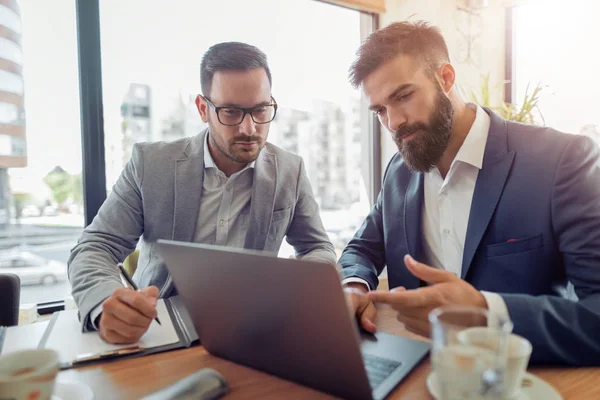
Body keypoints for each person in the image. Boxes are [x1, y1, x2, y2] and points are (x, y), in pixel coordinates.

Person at [340, 21, 600, 365]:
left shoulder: (561, 160)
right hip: (421, 374)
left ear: (445, 78)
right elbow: (362, 247)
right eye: (380, 111)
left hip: (524, 379)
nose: (393, 122)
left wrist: (486, 313)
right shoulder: (397, 174)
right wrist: (354, 286)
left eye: (403, 96)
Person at [69, 42, 336, 344]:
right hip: (158, 331)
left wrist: (293, 285)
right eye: (231, 112)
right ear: (202, 108)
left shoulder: (290, 170)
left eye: (261, 110)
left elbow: (320, 249)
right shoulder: (150, 164)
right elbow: (94, 247)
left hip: (253, 332)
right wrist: (106, 305)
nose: (250, 128)